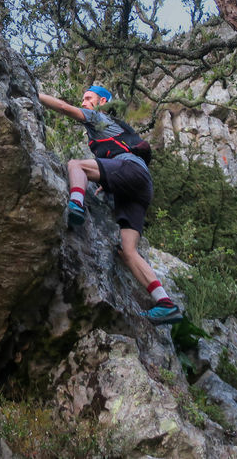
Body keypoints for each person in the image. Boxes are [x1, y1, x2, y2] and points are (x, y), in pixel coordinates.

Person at [39, 84, 183, 325]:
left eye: (88, 98)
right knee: (128, 251)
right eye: (83, 98)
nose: (84, 102)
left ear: (102, 102)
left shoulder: (99, 117)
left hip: (131, 170)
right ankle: (165, 303)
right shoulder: (113, 131)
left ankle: (76, 206)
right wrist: (109, 180)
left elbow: (64, 108)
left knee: (76, 165)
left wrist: (35, 93)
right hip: (139, 186)